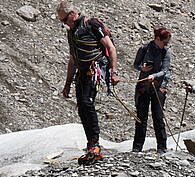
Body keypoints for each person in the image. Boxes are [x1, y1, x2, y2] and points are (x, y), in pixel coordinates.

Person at [57, 2, 119, 164]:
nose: (64, 24)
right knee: (82, 107)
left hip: (95, 67)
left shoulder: (92, 24)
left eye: (64, 20)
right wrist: (67, 83)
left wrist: (114, 71)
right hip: (81, 71)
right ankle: (92, 144)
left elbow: (110, 48)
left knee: (86, 102)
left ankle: (95, 145)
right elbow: (72, 59)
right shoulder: (71, 33)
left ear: (72, 14)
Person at [132, 27, 172, 153]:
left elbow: (165, 70)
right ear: (157, 39)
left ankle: (161, 147)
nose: (166, 45)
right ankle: (137, 147)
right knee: (141, 118)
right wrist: (142, 69)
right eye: (164, 42)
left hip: (158, 88)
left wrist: (154, 75)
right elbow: (135, 64)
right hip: (143, 87)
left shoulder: (166, 52)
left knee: (158, 117)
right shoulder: (144, 49)